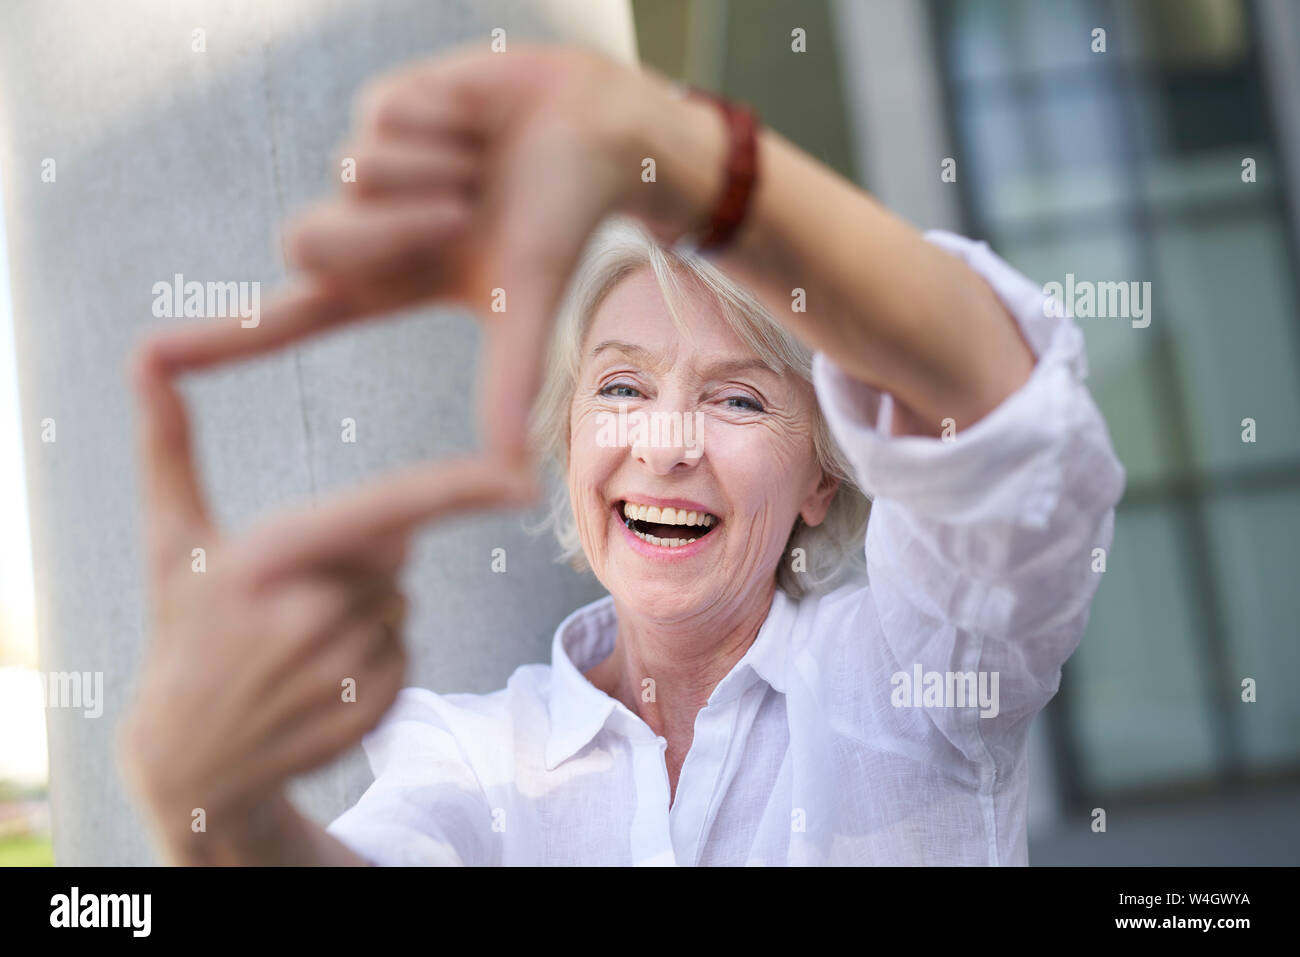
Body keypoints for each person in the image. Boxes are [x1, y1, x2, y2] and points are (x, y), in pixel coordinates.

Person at [119, 43, 1125, 865]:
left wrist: (682, 154)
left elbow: (1007, 426)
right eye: (621, 387)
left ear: (824, 472)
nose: (668, 444)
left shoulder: (910, 679)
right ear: (568, 439)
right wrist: (222, 815)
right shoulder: (469, 758)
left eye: (736, 398)